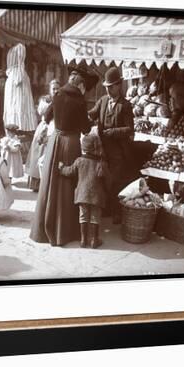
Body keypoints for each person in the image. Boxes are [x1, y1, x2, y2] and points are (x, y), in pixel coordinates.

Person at [29, 71, 92, 246]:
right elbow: (85, 129)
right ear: (80, 85)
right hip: (71, 143)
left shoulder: (57, 95)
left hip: (55, 141)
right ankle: (64, 230)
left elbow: (46, 116)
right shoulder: (79, 101)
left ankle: (43, 229)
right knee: (67, 184)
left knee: (50, 183)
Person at [88, 67, 134, 223]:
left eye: (111, 87)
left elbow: (129, 129)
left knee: (115, 181)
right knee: (102, 179)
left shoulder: (126, 105)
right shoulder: (102, 101)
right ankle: (106, 209)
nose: (108, 90)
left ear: (119, 85)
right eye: (106, 87)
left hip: (118, 151)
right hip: (102, 149)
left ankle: (116, 212)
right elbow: (91, 114)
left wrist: (113, 132)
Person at [58, 134, 110, 248]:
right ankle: (94, 240)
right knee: (95, 217)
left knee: (83, 216)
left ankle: (83, 240)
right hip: (97, 196)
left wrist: (61, 167)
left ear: (83, 148)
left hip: (82, 195)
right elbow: (108, 181)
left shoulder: (79, 161)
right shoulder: (102, 163)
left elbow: (69, 172)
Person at [25, 79, 61, 191]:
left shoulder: (61, 99)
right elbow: (42, 113)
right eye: (53, 88)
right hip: (45, 126)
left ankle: (46, 181)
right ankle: (36, 182)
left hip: (54, 126)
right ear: (49, 89)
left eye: (57, 88)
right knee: (38, 152)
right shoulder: (45, 100)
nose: (55, 91)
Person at [3, 43, 37, 132]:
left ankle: (17, 126)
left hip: (14, 88)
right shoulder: (19, 74)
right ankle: (19, 127)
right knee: (18, 104)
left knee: (16, 105)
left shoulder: (14, 74)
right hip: (18, 104)